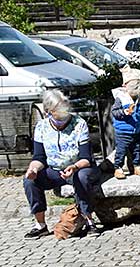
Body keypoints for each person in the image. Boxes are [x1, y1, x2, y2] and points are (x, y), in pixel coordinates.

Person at [23, 89, 100, 238]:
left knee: (82, 177)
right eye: (59, 113)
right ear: (48, 112)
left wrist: (74, 166)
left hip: (79, 167)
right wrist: (33, 169)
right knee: (30, 180)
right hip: (55, 169)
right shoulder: (41, 127)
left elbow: (86, 157)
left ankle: (89, 221)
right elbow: (39, 157)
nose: (63, 117)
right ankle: (40, 225)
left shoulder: (79, 124)